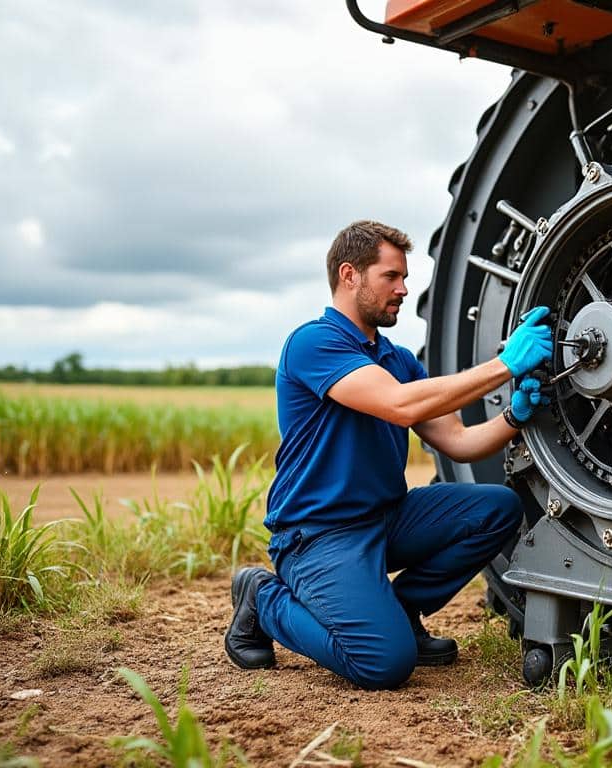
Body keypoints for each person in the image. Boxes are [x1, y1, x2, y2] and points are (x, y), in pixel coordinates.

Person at [224, 220, 553, 690]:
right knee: (384, 664)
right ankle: (264, 597)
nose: (403, 289)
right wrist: (504, 365)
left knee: (497, 509)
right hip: (319, 535)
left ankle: (400, 609)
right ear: (349, 275)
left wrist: (513, 419)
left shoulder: (397, 360)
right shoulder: (314, 343)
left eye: (405, 278)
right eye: (391, 277)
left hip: (385, 519)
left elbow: (458, 441)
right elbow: (399, 406)